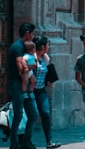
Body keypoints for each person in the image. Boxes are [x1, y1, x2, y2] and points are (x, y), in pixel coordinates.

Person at [6, 21, 39, 149]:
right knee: (18, 114)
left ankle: (26, 141)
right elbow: (21, 68)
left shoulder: (24, 46)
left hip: (23, 84)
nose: (33, 36)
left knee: (33, 114)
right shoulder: (17, 47)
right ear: (27, 33)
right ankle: (14, 144)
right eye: (32, 33)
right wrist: (33, 66)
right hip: (16, 84)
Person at [32, 36, 60, 149]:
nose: (48, 47)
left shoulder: (45, 58)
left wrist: (49, 80)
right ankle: (24, 140)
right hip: (31, 91)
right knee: (31, 115)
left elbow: (48, 71)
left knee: (46, 114)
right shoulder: (32, 58)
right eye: (47, 45)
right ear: (42, 46)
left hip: (41, 90)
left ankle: (49, 141)